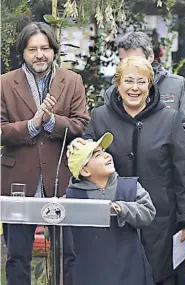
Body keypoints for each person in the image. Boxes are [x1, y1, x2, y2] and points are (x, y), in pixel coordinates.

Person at [67, 56, 185, 285]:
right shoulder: (101, 117)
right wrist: (76, 147)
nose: (135, 88)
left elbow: (183, 171)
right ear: (118, 84)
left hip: (160, 216)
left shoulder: (170, 119)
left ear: (150, 85)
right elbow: (85, 157)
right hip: (115, 214)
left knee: (159, 274)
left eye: (142, 82)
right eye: (128, 81)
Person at [0, 22, 89, 285]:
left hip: (60, 177)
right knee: (17, 255)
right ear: (23, 53)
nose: (40, 55)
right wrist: (31, 124)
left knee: (68, 253)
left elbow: (81, 124)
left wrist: (51, 121)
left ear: (54, 50)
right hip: (18, 179)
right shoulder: (5, 83)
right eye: (33, 49)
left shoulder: (71, 81)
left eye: (45, 48)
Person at [66, 132, 156, 285]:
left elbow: (148, 212)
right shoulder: (72, 197)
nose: (107, 156)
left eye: (104, 151)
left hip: (130, 269)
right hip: (89, 272)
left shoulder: (130, 186)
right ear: (85, 171)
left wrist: (122, 208)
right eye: (97, 155)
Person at [104, 31, 185, 143]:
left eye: (136, 60)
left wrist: (164, 147)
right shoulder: (113, 92)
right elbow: (107, 131)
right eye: (123, 60)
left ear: (150, 57)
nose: (129, 65)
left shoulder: (176, 84)